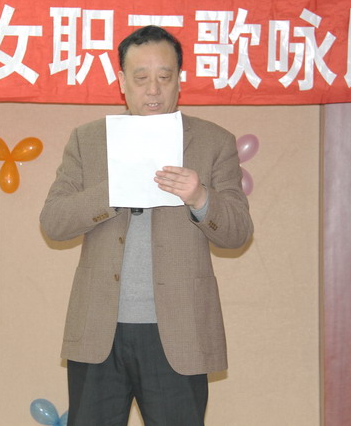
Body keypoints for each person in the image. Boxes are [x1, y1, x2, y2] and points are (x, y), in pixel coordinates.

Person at [39, 25, 253, 425]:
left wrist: (200, 197)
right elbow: (53, 222)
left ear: (180, 80)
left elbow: (239, 231)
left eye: (164, 77)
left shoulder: (213, 142)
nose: (153, 89)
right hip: (99, 331)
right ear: (122, 82)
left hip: (179, 333)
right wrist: (110, 192)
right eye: (141, 78)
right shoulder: (88, 140)